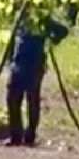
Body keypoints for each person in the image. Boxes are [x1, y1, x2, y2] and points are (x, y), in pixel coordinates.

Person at [6, 15, 67, 146]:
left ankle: (30, 135)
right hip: (18, 65)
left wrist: (51, 39)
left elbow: (63, 31)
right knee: (12, 98)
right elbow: (12, 41)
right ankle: (15, 135)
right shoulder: (19, 17)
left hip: (34, 65)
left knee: (32, 99)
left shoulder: (42, 19)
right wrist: (10, 60)